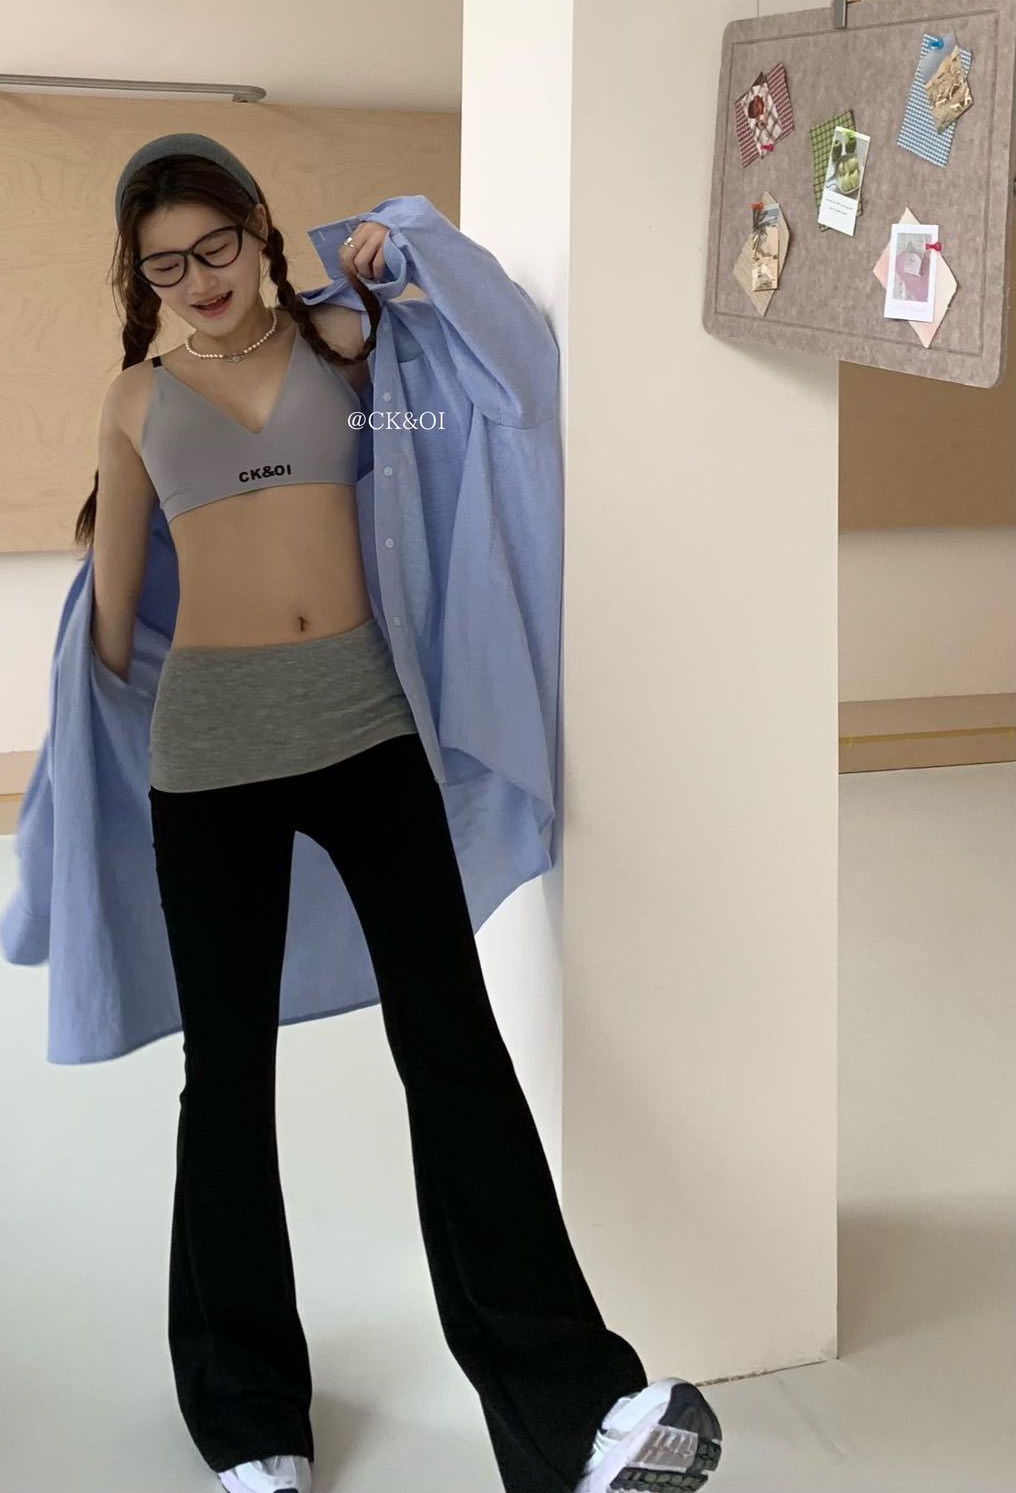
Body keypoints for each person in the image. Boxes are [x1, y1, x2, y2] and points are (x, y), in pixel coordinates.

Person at [81, 132, 723, 1493]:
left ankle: (577, 1416)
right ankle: (249, 1419)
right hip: (209, 759)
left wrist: (404, 247)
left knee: (454, 1050)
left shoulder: (349, 347)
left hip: (367, 731)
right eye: (164, 266)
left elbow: (505, 368)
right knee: (228, 1084)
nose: (197, 279)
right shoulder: (136, 402)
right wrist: (93, 750)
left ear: (258, 227)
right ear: (140, 280)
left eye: (214, 245)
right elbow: (113, 616)